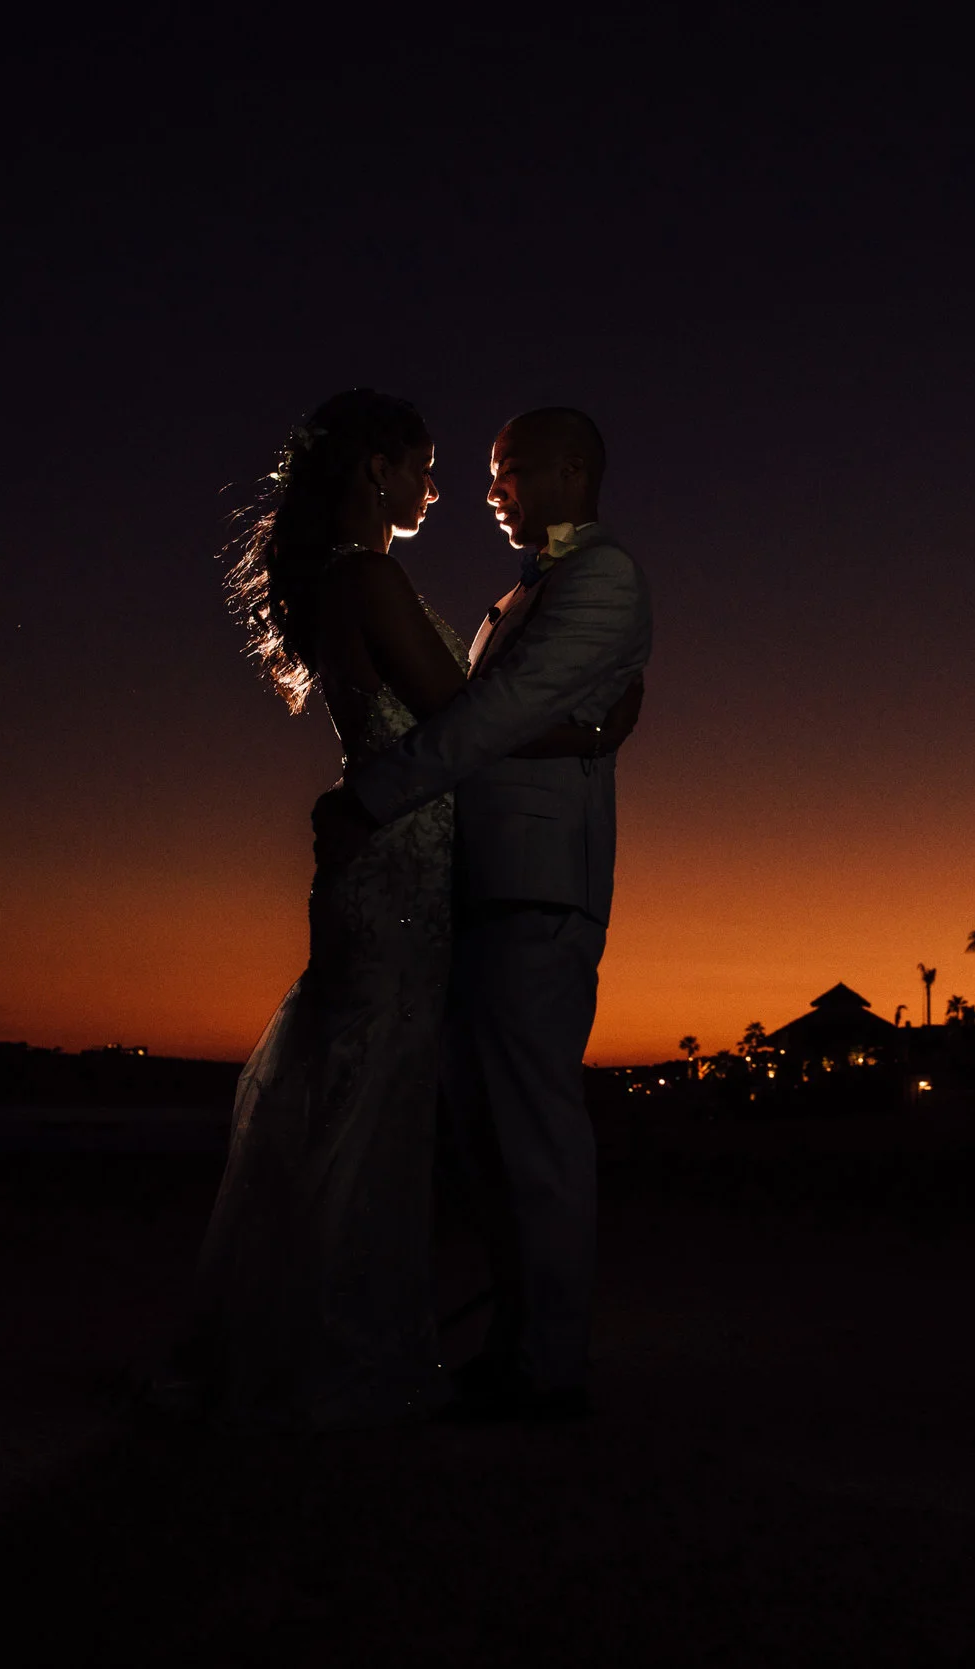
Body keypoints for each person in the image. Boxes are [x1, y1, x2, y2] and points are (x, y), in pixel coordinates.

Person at [159, 389, 636, 1430]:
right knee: (374, 1099)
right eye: (428, 463)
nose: (451, 487)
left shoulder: (361, 576)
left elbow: (463, 721)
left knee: (371, 1091)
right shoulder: (370, 576)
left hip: (417, 866)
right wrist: (592, 729)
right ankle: (354, 1349)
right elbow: (471, 721)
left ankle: (349, 1340)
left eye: (491, 470)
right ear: (376, 469)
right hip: (406, 862)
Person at [314, 407, 652, 1422]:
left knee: (534, 1138)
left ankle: (548, 1368)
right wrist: (585, 730)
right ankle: (517, 1349)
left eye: (508, 471)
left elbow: (491, 718)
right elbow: (505, 719)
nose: (492, 490)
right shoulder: (519, 593)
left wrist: (374, 797)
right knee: (492, 1140)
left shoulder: (604, 577)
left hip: (539, 887)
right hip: (482, 885)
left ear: (571, 468)